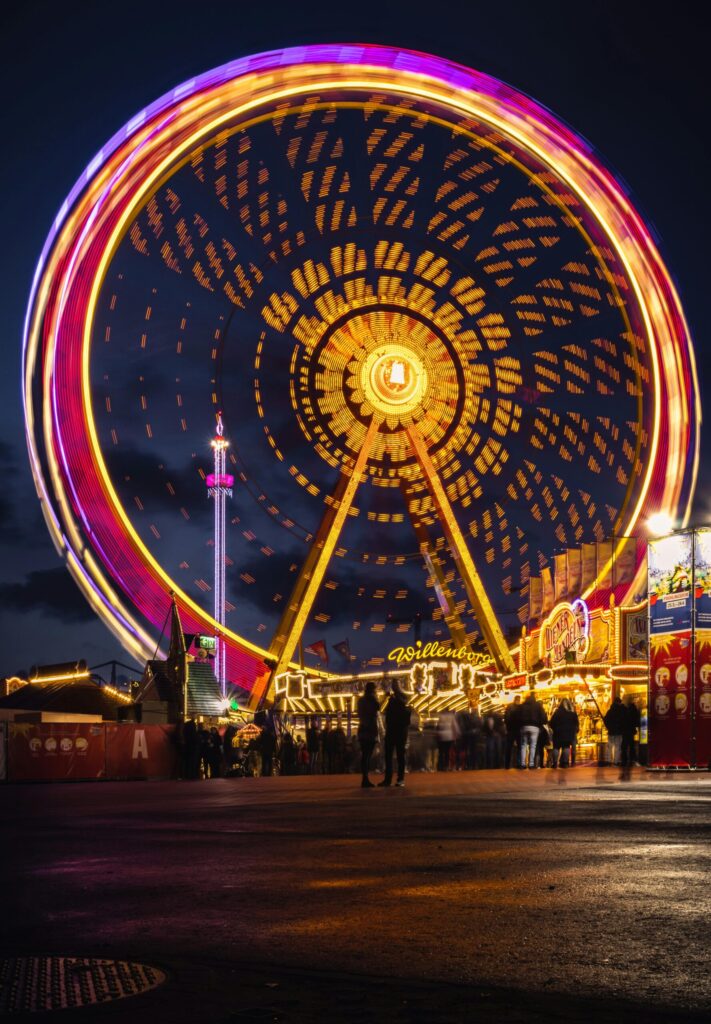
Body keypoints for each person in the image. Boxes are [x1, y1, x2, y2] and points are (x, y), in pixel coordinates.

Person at [379, 681, 412, 787]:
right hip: (399, 733)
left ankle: (390, 779)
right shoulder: (400, 702)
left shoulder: (394, 701)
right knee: (399, 756)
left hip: (393, 732)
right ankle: (399, 779)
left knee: (391, 756)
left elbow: (387, 716)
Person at [357, 681, 380, 788]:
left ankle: (364, 778)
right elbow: (378, 707)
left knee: (365, 755)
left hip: (362, 729)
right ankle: (365, 779)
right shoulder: (372, 700)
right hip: (370, 729)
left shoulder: (361, 700)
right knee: (367, 755)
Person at [519, 692, 547, 769]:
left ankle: (522, 764)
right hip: (535, 727)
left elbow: (518, 716)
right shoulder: (538, 706)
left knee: (523, 745)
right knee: (533, 746)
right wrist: (541, 724)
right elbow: (543, 717)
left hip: (524, 726)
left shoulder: (522, 706)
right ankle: (531, 764)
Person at [550, 698, 579, 768]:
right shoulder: (572, 713)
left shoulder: (557, 712)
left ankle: (555, 763)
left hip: (558, 733)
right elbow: (576, 724)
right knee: (566, 747)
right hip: (568, 733)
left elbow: (551, 722)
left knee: (556, 747)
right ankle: (565, 763)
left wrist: (554, 729)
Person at [604, 696, 627, 766]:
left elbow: (605, 720)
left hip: (611, 732)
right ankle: (616, 761)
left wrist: (609, 727)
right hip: (619, 731)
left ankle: (608, 760)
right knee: (617, 746)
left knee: (610, 746)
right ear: (619, 702)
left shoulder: (610, 711)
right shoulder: (621, 711)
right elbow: (624, 721)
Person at [622, 697, 641, 767]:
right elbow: (636, 719)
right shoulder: (633, 709)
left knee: (625, 745)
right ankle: (632, 759)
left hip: (625, 730)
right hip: (630, 730)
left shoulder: (624, 709)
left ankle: (625, 760)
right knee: (631, 745)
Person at [504, 695, 522, 769]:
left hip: (510, 730)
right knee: (519, 747)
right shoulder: (521, 708)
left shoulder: (509, 707)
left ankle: (507, 765)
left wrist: (508, 727)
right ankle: (519, 763)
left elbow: (506, 718)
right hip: (518, 730)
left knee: (509, 747)